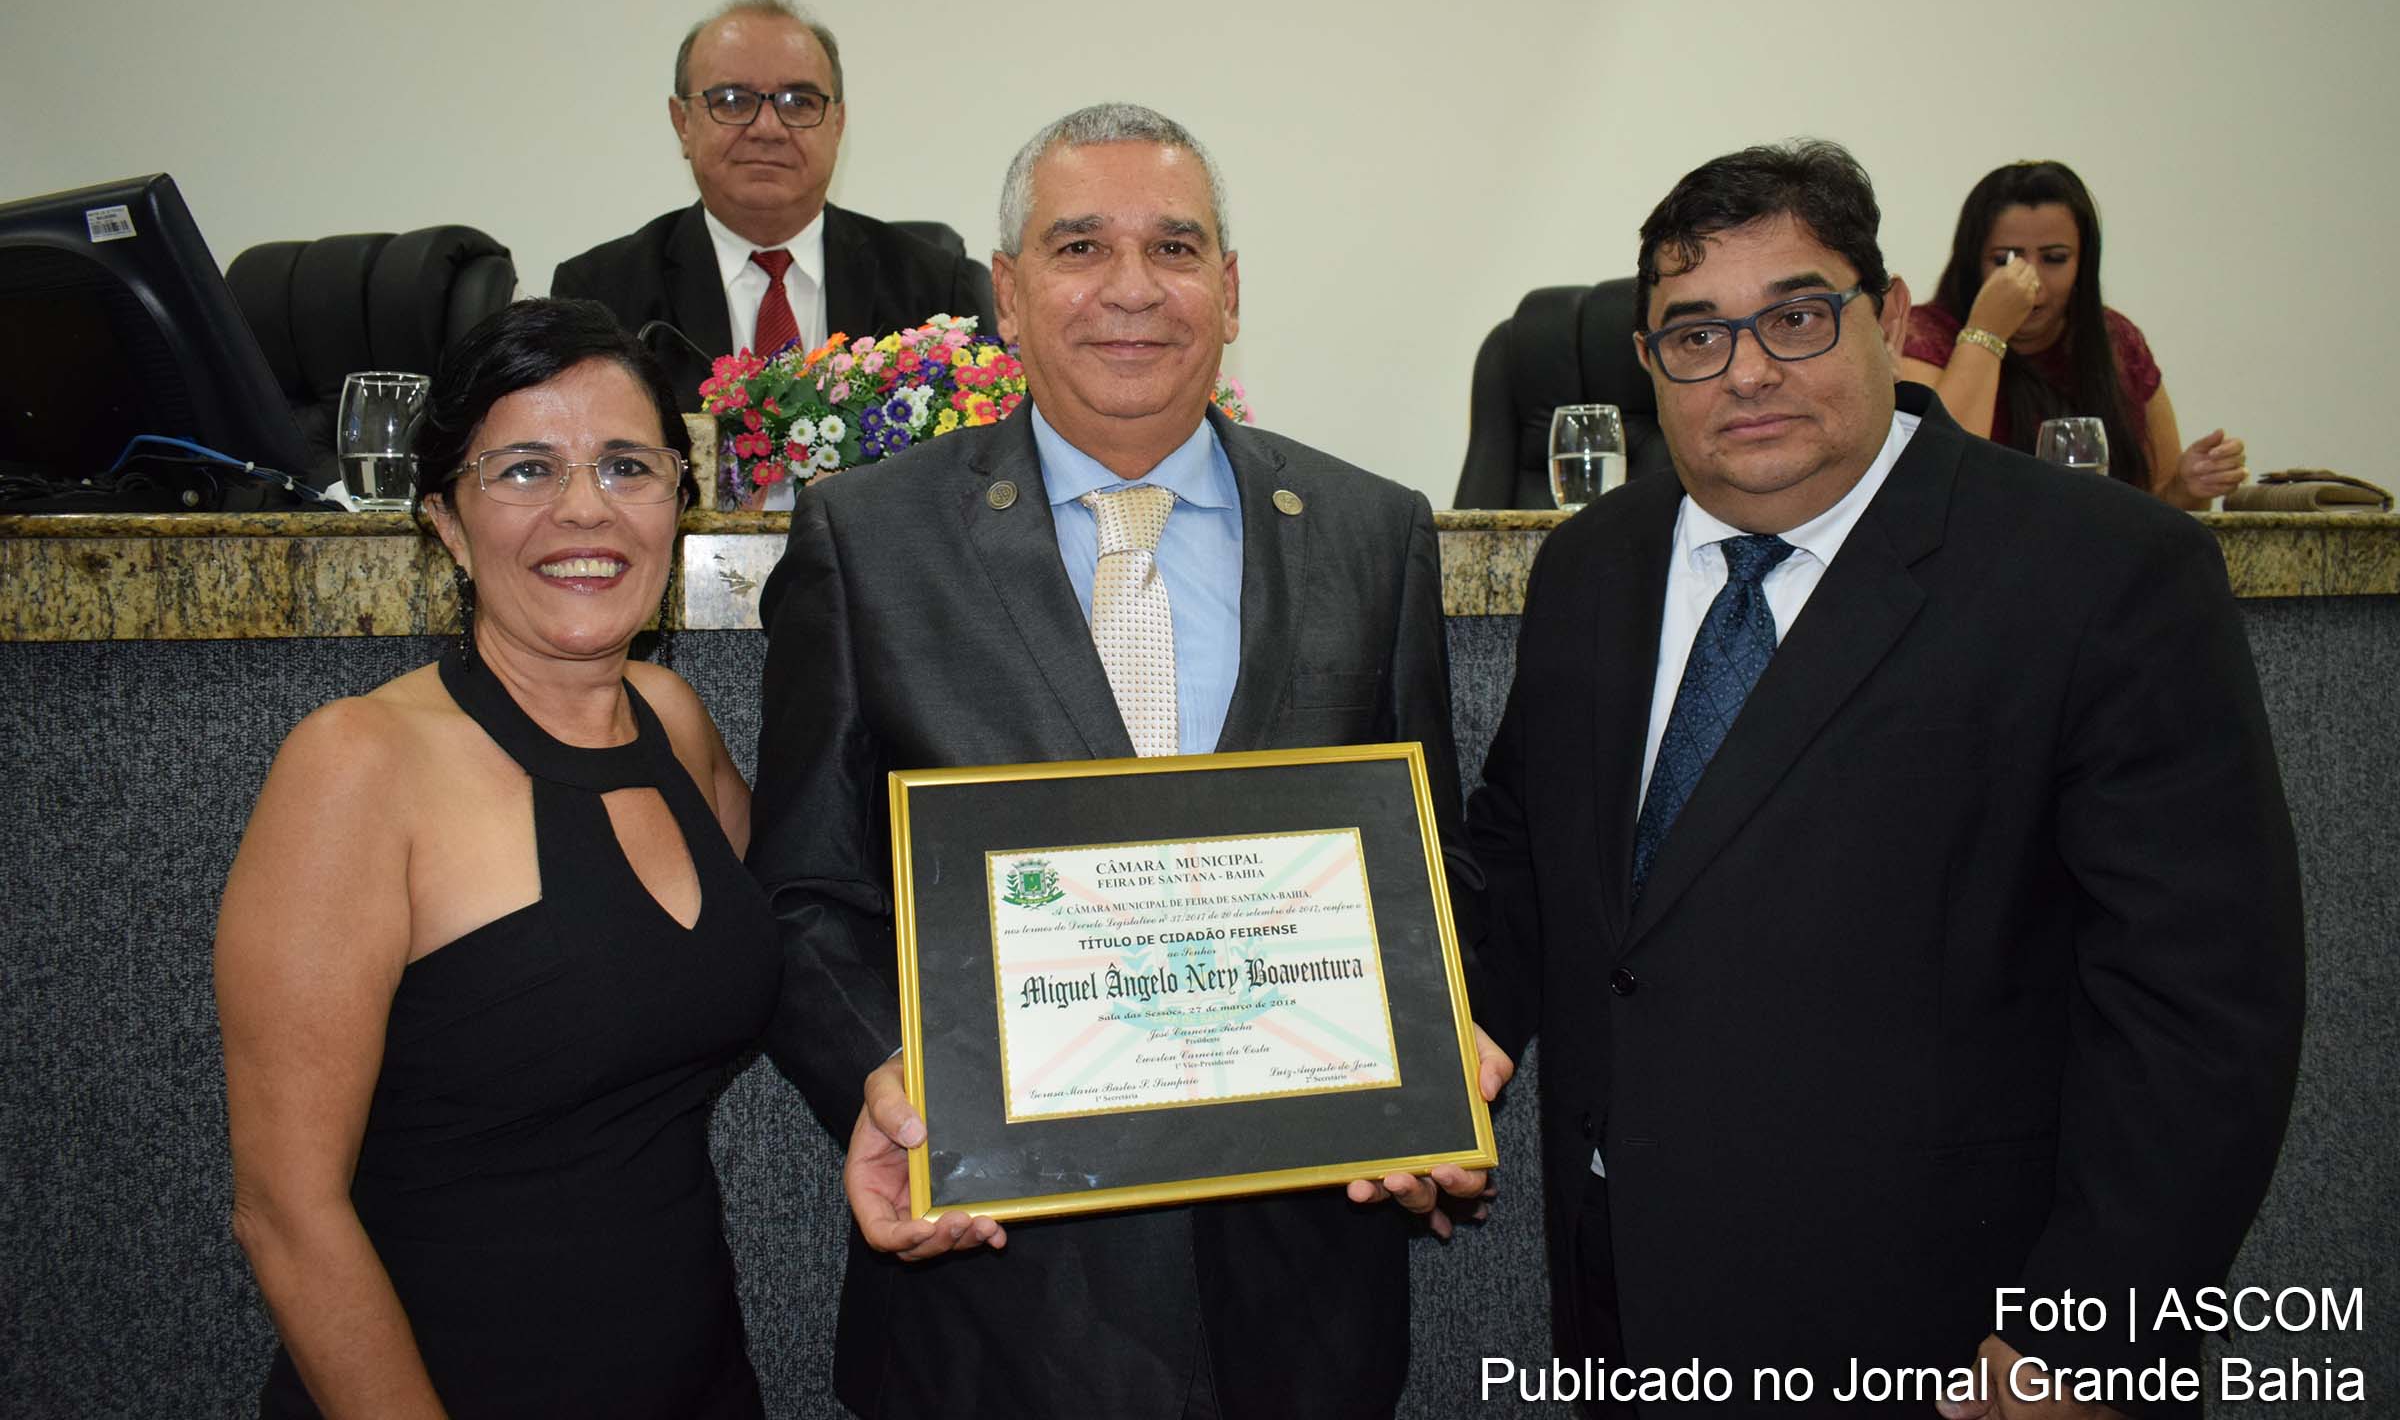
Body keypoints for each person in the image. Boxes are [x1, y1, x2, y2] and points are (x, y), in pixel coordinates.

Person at [1466, 141, 2303, 1415]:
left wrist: (2094, 1333)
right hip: (1625, 1312)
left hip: (1948, 1335)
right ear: (1648, 367)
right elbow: (1529, 854)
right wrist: (1422, 1043)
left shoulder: (2102, 575)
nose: (1746, 369)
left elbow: (2200, 1007)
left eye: (1797, 316)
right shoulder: (1591, 567)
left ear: (1892, 315)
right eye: (1694, 335)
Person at [748, 103, 1507, 1419]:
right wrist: (885, 1072)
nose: (1133, 289)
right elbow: (806, 892)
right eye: (1080, 246)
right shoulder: (868, 540)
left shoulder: (1371, 533)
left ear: (1228, 288)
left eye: (1175, 246)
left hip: (1301, 1293)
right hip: (996, 1301)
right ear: (1008, 290)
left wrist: (1441, 1052)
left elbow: (1422, 864)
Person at [217, 299, 777, 1418]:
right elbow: (287, 1210)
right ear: (447, 520)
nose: (585, 510)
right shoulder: (356, 766)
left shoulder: (674, 721)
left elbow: (792, 945)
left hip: (697, 1379)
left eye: (628, 465)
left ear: (678, 501)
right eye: (524, 469)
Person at [551, 0, 993, 401]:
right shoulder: (600, 297)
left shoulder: (935, 292)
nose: (767, 128)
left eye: (798, 102)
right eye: (732, 100)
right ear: (682, 122)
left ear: (837, 125)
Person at [1899, 159, 2246, 507]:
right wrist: (1986, 331)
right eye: (2006, 260)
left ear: (2083, 263)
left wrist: (2184, 489)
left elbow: (2154, 515)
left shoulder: (2115, 341)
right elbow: (1936, 476)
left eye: (2054, 258)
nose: (2029, 282)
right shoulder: (1925, 337)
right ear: (1973, 261)